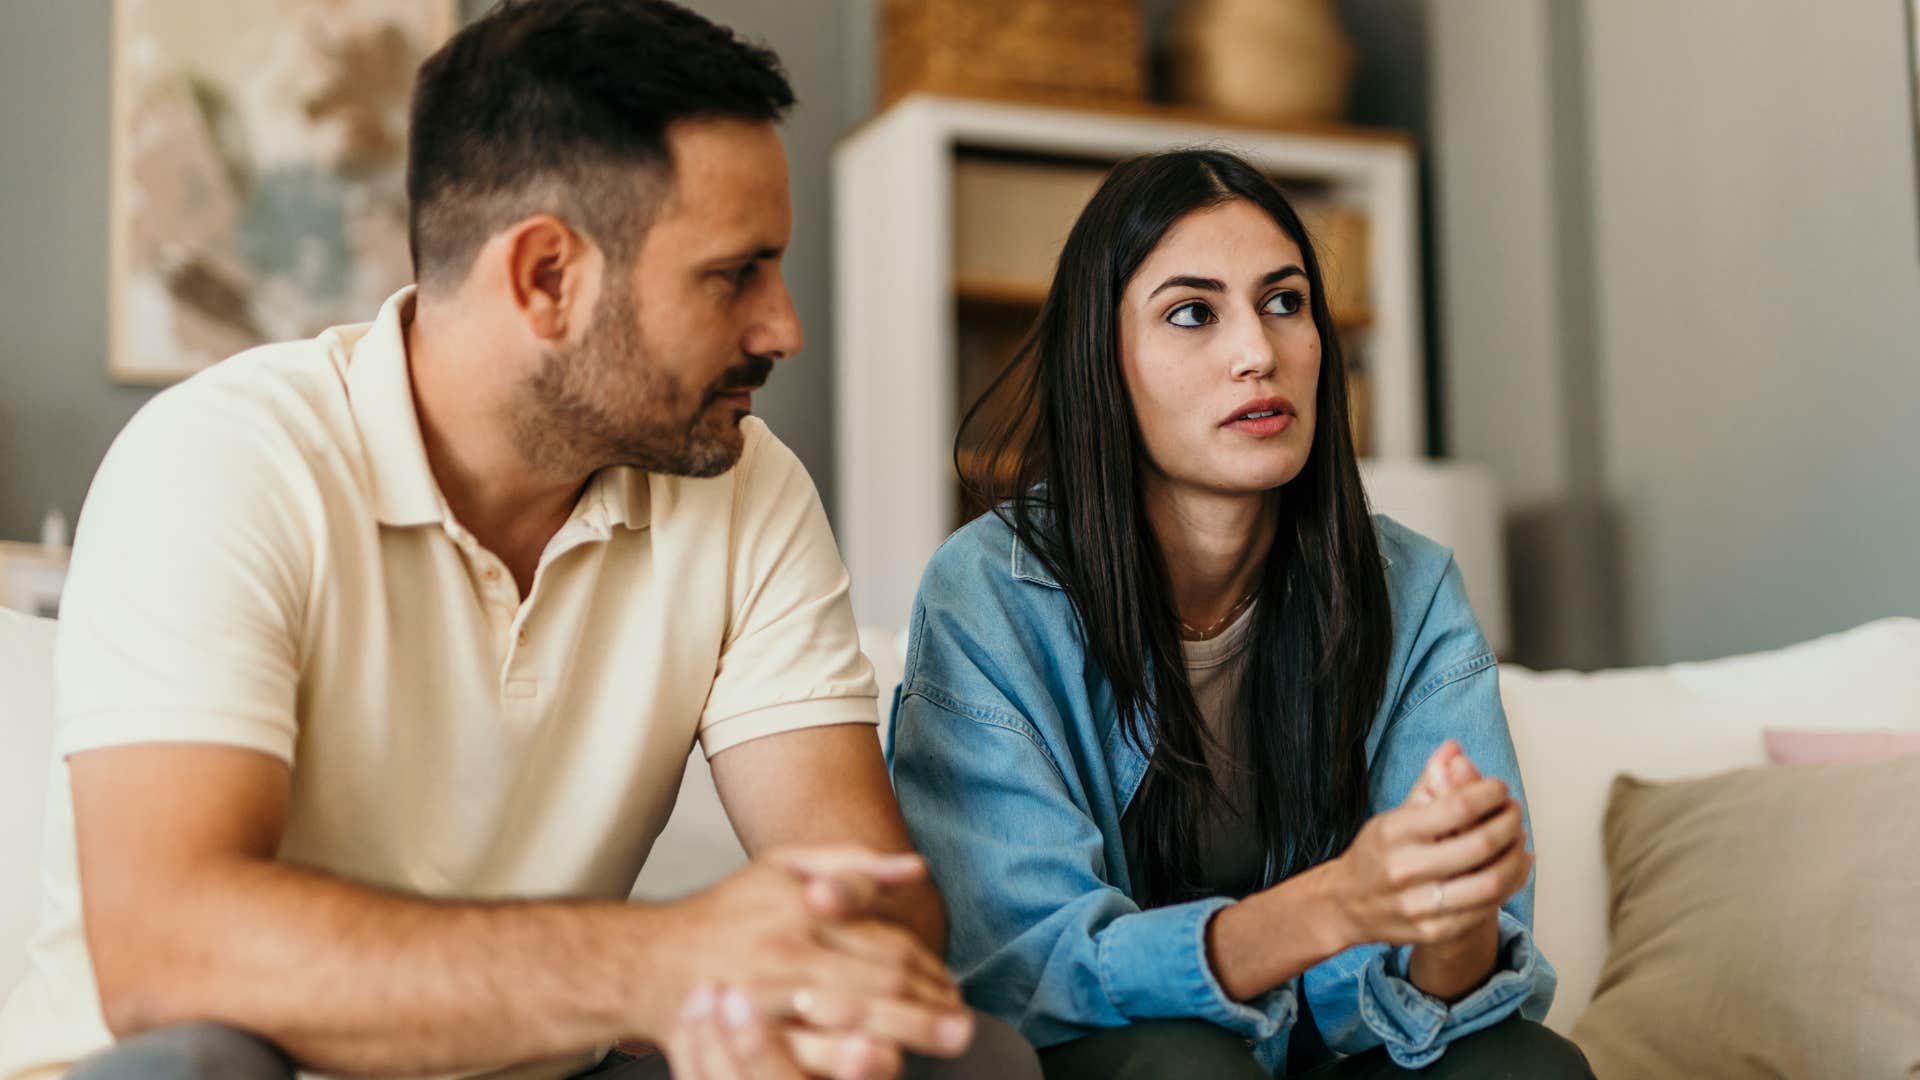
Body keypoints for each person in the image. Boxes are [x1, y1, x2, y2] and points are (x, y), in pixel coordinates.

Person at [0, 3, 1042, 1079]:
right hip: (220, 1060)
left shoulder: (744, 485)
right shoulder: (221, 460)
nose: (785, 328)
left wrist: (767, 1004)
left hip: (547, 1064)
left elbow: (874, 906)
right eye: (737, 273)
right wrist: (649, 963)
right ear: (547, 277)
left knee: (970, 1062)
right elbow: (169, 953)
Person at [885, 149, 1594, 1079]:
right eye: (1192, 313)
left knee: (1524, 1064)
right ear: (1103, 359)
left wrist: (1448, 913)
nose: (1257, 352)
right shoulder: (989, 590)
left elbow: (1452, 996)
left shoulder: (1410, 587)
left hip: (1334, 1052)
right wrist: (1336, 906)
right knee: (1185, 1063)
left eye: (1285, 301)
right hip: (1108, 1053)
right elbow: (1025, 966)